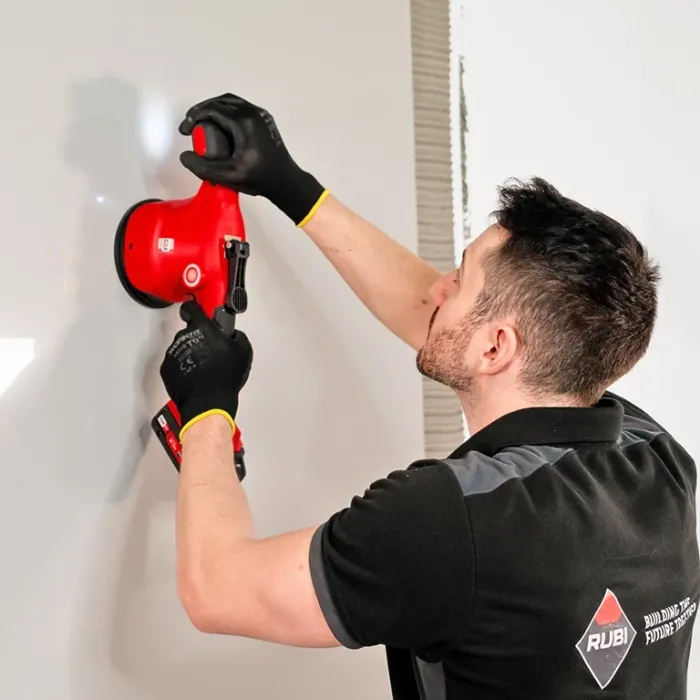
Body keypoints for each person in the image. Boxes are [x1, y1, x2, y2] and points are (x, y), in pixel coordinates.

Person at [158, 93, 700, 700]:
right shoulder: (657, 460)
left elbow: (216, 588)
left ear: (496, 348)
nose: (437, 289)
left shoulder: (452, 521)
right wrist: (292, 187)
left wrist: (206, 405)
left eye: (459, 278)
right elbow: (456, 331)